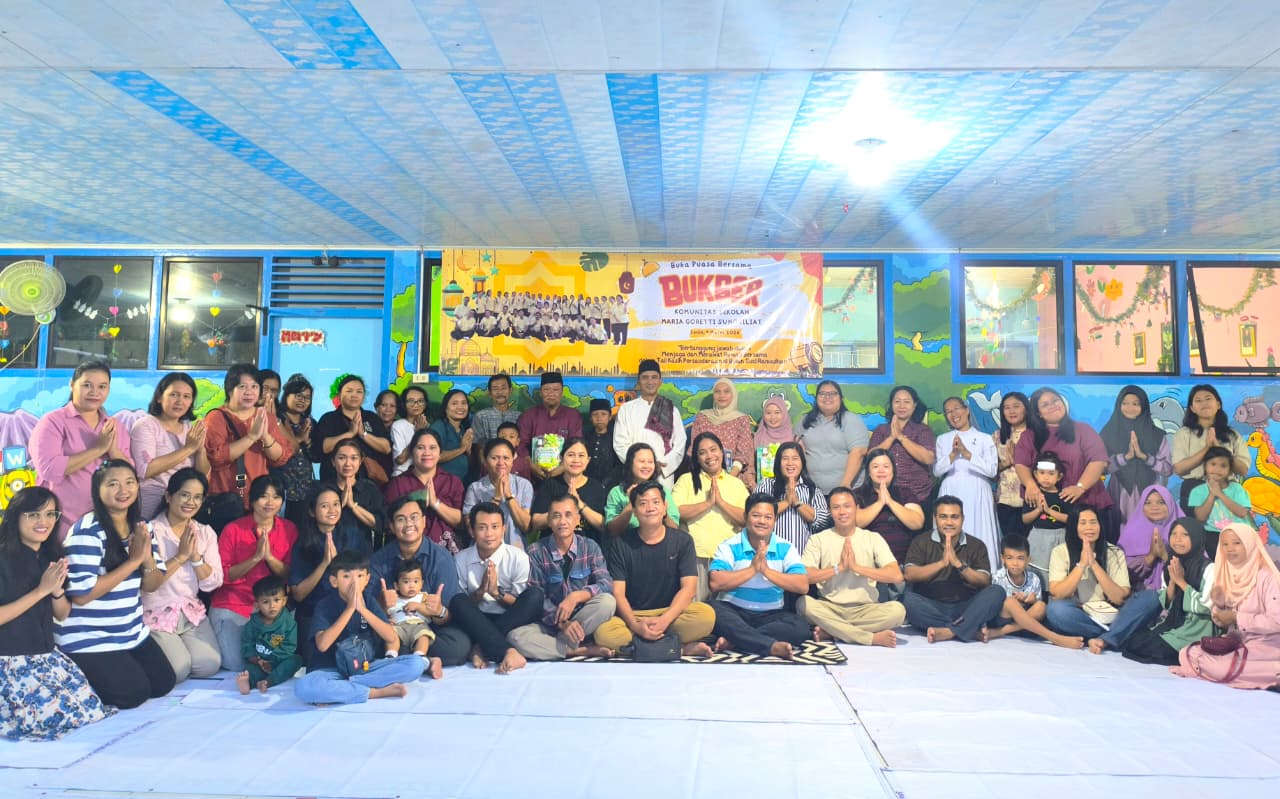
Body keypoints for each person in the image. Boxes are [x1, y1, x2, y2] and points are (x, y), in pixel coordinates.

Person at [57, 460, 178, 708]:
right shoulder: (87, 531)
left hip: (130, 631)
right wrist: (133, 561)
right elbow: (81, 595)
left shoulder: (142, 527)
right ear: (97, 491)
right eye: (113, 484)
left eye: (129, 482)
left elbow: (152, 584)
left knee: (163, 683)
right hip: (88, 635)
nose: (123, 490)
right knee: (133, 695)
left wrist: (146, 559)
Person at [0, 487, 113, 741]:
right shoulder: (3, 558)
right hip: (8, 660)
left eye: (50, 514)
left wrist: (56, 590)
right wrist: (41, 590)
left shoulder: (49, 556)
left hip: (46, 655)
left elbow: (62, 614)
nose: (43, 521)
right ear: (16, 516)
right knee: (51, 721)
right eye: (33, 514)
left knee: (88, 712)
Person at [596, 481, 716, 656]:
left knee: (706, 616)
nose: (650, 508)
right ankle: (678, 649)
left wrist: (664, 620)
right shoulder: (620, 544)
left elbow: (689, 589)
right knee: (604, 633)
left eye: (656, 502)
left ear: (665, 507)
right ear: (634, 511)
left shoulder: (683, 541)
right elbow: (618, 593)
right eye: (643, 503)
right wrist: (635, 625)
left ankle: (641, 648)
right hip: (634, 615)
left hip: (670, 613)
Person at [293, 550, 425, 705]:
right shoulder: (324, 605)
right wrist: (350, 609)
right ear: (334, 581)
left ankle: (343, 689)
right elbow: (322, 645)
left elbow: (391, 637)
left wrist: (362, 609)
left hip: (365, 667)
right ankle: (374, 692)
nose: (354, 583)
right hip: (331, 670)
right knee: (304, 687)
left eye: (360, 576)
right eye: (347, 576)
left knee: (416, 664)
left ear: (367, 579)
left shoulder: (369, 601)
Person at [30, 359, 132, 538]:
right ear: (72, 384)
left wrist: (114, 452)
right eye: (87, 385)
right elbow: (50, 470)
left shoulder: (114, 426)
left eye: (102, 387)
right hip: (63, 524)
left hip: (106, 524)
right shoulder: (53, 421)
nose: (94, 392)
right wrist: (98, 449)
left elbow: (131, 474)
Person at [509, 494, 617, 660]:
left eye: (568, 515)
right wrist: (562, 623)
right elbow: (536, 596)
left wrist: (576, 596)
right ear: (549, 521)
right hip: (548, 622)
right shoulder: (536, 551)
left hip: (582, 620)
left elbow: (606, 584)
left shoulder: (590, 546)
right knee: (515, 637)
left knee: (607, 602)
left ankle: (554, 646)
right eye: (556, 516)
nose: (562, 521)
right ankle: (577, 650)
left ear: (577, 520)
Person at [1172, 523, 1279, 689]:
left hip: (1267, 646)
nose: (1230, 549)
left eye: (1237, 543)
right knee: (1189, 652)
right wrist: (1219, 606)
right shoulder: (1227, 573)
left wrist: (1237, 618)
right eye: (1225, 544)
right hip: (1236, 642)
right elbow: (1222, 621)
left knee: (1222, 667)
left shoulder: (1267, 577)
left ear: (1250, 544)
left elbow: (1276, 621)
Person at [141, 469, 223, 683]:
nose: (191, 502)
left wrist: (195, 558)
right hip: (157, 611)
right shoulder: (150, 531)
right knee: (178, 670)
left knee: (209, 665)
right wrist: (180, 557)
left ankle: (176, 649)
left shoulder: (204, 532)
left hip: (189, 611)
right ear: (169, 497)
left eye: (197, 497)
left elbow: (212, 583)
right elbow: (148, 583)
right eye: (184, 495)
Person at [210, 474, 297, 672]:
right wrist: (255, 558)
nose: (270, 502)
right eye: (264, 496)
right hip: (235, 604)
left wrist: (270, 558)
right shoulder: (233, 529)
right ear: (252, 500)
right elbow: (223, 575)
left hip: (271, 606)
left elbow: (290, 574)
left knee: (276, 660)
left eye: (276, 497)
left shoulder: (289, 529)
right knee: (237, 664)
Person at [371, 496, 471, 667]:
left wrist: (438, 611)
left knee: (459, 646)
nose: (409, 524)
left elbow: (447, 616)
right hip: (393, 629)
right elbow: (368, 612)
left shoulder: (441, 557)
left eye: (414, 517)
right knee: (368, 641)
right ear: (392, 527)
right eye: (401, 519)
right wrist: (381, 605)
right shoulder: (378, 560)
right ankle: (423, 661)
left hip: (429, 629)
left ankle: (405, 659)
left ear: (424, 522)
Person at [797, 487, 904, 647]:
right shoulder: (818, 539)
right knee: (803, 604)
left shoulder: (872, 538)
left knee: (898, 611)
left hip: (865, 610)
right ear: (829, 511)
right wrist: (838, 568)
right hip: (829, 608)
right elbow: (805, 576)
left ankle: (833, 631)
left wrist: (856, 568)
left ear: (856, 508)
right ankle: (869, 638)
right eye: (836, 507)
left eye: (847, 506)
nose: (842, 512)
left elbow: (896, 575)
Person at [1095, 519, 1215, 660]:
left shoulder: (1208, 569)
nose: (1178, 539)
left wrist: (1181, 582)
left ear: (1196, 537)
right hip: (1174, 623)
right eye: (1174, 534)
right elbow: (1168, 604)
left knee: (1146, 649)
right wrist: (1172, 582)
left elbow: (1206, 607)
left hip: (1197, 628)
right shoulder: (1171, 563)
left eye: (1185, 535)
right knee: (1132, 642)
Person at [707, 494, 810, 658]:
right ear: (745, 517)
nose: (762, 521)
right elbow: (715, 582)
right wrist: (752, 569)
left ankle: (737, 639)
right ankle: (770, 646)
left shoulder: (786, 547)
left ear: (775, 520)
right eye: (756, 515)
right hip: (733, 611)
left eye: (768, 517)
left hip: (771, 614)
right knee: (711, 610)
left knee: (801, 627)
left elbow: (802, 585)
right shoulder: (729, 545)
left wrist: (767, 571)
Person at [449, 502, 544, 674]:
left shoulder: (518, 557)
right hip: (477, 618)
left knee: (535, 596)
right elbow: (464, 606)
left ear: (503, 529)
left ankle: (481, 646)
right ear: (472, 531)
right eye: (482, 528)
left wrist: (496, 593)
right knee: (457, 601)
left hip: (509, 617)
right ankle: (507, 651)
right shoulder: (461, 559)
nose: (489, 534)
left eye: (495, 527)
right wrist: (480, 592)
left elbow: (520, 603)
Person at [1015, 387, 1115, 540]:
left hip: (1086, 506)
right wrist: (1030, 484)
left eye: (1055, 400)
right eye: (1045, 404)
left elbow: (1098, 460)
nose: (1053, 406)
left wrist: (1080, 487)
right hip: (1046, 513)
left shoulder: (1083, 430)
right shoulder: (1029, 436)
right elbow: (1021, 464)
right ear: (1038, 413)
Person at [902, 496, 1005, 644]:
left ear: (963, 519)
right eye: (943, 517)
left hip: (966, 607)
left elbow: (984, 581)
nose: (949, 522)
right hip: (932, 606)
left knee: (997, 592)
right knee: (907, 600)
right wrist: (941, 564)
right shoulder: (921, 541)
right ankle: (967, 627)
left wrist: (959, 565)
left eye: (954, 517)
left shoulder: (976, 545)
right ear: (935, 518)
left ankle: (949, 631)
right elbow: (909, 574)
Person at [287, 482, 371, 663]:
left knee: (355, 661)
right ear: (312, 511)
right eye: (324, 506)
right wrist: (325, 563)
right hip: (314, 614)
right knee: (316, 664)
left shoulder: (353, 535)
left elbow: (367, 576)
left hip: (349, 610)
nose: (332, 510)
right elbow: (299, 594)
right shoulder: (303, 543)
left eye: (336, 504)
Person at [204, 364, 292, 521]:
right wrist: (251, 437)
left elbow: (280, 458)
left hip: (258, 499)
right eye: (242, 386)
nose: (249, 392)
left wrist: (265, 436)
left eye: (254, 386)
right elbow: (216, 458)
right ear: (230, 390)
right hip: (226, 500)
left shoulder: (265, 416)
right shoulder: (216, 417)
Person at [673, 432, 748, 600]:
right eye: (702, 452)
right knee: (697, 608)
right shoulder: (686, 480)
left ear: (722, 452)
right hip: (695, 557)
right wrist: (707, 504)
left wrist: (721, 503)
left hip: (728, 558)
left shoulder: (736, 484)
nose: (709, 456)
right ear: (697, 458)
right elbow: (675, 512)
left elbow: (746, 519)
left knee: (726, 610)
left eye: (713, 449)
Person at [130, 372, 210, 519]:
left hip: (186, 503)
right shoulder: (146, 425)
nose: (180, 401)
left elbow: (202, 474)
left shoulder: (188, 427)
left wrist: (200, 450)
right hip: (154, 503)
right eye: (174, 395)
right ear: (159, 397)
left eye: (186, 396)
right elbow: (145, 470)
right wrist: (188, 449)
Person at [981, 535, 1084, 649]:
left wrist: (1031, 601)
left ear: (1028, 559)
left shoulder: (1033, 578)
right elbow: (993, 605)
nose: (1015, 563)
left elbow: (1038, 610)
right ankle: (1055, 638)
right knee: (1010, 602)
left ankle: (1000, 632)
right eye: (1009, 558)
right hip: (1003, 619)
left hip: (1025, 625)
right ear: (1002, 558)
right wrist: (1015, 602)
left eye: (1020, 558)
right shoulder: (997, 577)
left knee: (1041, 606)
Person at [1046, 509, 1132, 639]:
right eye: (1083, 523)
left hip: (1108, 613)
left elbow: (1119, 598)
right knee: (1056, 610)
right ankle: (1110, 635)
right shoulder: (1060, 551)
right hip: (1077, 612)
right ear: (1074, 526)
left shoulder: (1115, 552)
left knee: (1143, 603)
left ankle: (1104, 635)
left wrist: (1094, 564)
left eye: (1093, 522)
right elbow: (1058, 594)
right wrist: (1082, 564)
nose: (1089, 527)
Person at [934, 397, 1000, 566]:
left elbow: (992, 470)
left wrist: (967, 453)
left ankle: (984, 572)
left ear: (967, 410)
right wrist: (953, 455)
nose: (953, 414)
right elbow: (937, 471)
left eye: (956, 409)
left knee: (980, 532)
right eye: (948, 412)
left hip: (978, 491)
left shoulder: (985, 438)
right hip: (951, 490)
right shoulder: (942, 439)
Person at [382, 428, 465, 553]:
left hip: (448, 552)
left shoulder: (452, 482)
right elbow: (389, 523)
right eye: (420, 448)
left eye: (432, 448)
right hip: (409, 553)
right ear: (411, 452)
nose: (427, 453)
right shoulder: (398, 484)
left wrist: (435, 503)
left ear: (440, 453)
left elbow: (462, 522)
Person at [1100, 385, 1174, 524]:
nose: (1130, 408)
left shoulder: (1156, 434)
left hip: (1150, 493)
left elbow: (1168, 469)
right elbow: (1101, 467)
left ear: (1144, 406)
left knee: (1148, 530)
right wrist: (1125, 457)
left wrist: (1145, 457)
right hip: (1119, 493)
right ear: (1118, 405)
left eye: (1135, 404)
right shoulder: (1108, 432)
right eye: (1125, 403)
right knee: (1120, 530)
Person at [1173, 384, 1250, 515]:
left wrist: (1219, 449)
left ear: (1218, 404)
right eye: (1198, 400)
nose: (1204, 403)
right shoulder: (1184, 434)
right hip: (1194, 488)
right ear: (1192, 408)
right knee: (1195, 528)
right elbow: (1179, 469)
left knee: (1226, 528)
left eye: (1208, 398)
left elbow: (1243, 470)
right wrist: (1207, 449)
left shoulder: (1233, 435)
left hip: (1227, 489)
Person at [612, 360, 686, 489]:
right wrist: (639, 465)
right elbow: (620, 443)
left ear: (660, 381)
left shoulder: (671, 409)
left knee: (662, 501)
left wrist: (662, 465)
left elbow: (680, 443)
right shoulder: (627, 409)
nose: (650, 382)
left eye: (654, 377)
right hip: (635, 474)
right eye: (645, 377)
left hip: (663, 474)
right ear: (639, 381)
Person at [310, 374, 393, 485]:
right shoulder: (329, 418)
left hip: (367, 484)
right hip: (334, 482)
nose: (354, 395)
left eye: (359, 392)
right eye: (349, 391)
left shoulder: (371, 417)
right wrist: (350, 434)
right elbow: (323, 447)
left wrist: (363, 434)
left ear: (364, 396)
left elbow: (386, 448)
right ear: (339, 395)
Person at [852, 449, 926, 565]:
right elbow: (856, 522)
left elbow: (917, 523)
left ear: (893, 471)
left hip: (902, 560)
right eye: (875, 467)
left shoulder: (905, 492)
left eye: (886, 466)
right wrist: (879, 503)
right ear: (869, 472)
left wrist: (890, 502)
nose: (881, 470)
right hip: (869, 562)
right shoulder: (857, 494)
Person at [868, 386, 937, 509]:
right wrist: (891, 438)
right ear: (891, 404)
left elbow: (928, 458)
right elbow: (870, 457)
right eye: (897, 401)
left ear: (914, 405)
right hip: (884, 494)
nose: (901, 406)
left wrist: (901, 438)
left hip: (918, 495)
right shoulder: (881, 430)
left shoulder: (923, 430)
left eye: (906, 402)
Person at [755, 442, 831, 552]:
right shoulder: (766, 485)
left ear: (802, 463)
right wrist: (786, 502)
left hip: (803, 557)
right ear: (778, 463)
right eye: (785, 459)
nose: (790, 463)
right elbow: (756, 514)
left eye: (795, 458)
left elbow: (824, 521)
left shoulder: (812, 490)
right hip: (771, 557)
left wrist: (797, 503)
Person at [530, 437, 608, 543]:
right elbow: (536, 523)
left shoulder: (597, 488)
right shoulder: (550, 484)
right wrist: (561, 511)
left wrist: (580, 504)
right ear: (561, 458)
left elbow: (604, 526)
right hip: (553, 546)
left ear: (588, 460)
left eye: (581, 455)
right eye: (571, 455)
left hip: (587, 548)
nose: (576, 460)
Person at [796, 380, 869, 495]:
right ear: (816, 398)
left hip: (847, 491)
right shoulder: (805, 420)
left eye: (833, 393)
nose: (827, 397)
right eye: (822, 393)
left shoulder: (851, 420)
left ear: (841, 398)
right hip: (812, 492)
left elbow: (859, 452)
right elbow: (795, 449)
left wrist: (845, 486)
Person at [236, 575, 300, 694]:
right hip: (259, 662)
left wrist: (272, 662)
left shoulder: (288, 623)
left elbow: (289, 647)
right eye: (266, 602)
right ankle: (248, 683)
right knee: (251, 670)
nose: (272, 606)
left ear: (284, 601)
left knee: (295, 660)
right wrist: (256, 660)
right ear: (257, 604)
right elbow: (247, 644)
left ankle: (268, 682)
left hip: (279, 661)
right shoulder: (252, 624)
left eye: (277, 600)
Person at [463, 438, 533, 547]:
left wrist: (509, 496)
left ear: (513, 460)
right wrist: (496, 498)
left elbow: (526, 526)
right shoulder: (475, 488)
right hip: (484, 551)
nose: (501, 463)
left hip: (515, 550)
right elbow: (471, 530)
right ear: (485, 460)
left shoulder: (523, 485)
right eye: (494, 458)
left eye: (506, 458)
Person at [690, 378, 757, 490]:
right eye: (718, 391)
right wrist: (708, 478)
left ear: (733, 394)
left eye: (726, 391)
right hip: (704, 477)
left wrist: (727, 480)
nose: (722, 395)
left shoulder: (742, 419)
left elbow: (743, 454)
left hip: (733, 478)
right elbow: (694, 450)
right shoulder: (702, 417)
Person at [518, 371, 584, 485]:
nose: (551, 394)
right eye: (546, 390)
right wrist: (531, 465)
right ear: (540, 392)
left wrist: (563, 467)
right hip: (534, 475)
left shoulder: (573, 416)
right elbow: (520, 444)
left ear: (562, 392)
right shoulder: (528, 416)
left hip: (565, 476)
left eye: (555, 390)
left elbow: (577, 445)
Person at [1021, 452, 1074, 590]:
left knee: (1057, 571)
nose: (1046, 477)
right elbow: (1025, 519)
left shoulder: (1064, 495)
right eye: (1042, 473)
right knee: (1035, 571)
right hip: (1038, 537)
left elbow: (1070, 519)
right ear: (1035, 474)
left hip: (1059, 537)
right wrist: (1039, 510)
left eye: (1051, 474)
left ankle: (1054, 595)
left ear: (1059, 476)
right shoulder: (1033, 494)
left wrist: (1049, 511)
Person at [1117, 485, 1185, 591]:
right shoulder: (1131, 532)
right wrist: (1150, 556)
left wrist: (1165, 556)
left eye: (1161, 502)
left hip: (1179, 591)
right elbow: (1119, 572)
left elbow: (1196, 568)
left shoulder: (1186, 530)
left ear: (1170, 504)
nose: (1154, 507)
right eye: (1148, 503)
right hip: (1139, 592)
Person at [1188, 446, 1255, 553]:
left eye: (1223, 465)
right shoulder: (1197, 491)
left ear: (1230, 470)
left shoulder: (1237, 489)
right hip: (1213, 535)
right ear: (1205, 466)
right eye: (1213, 464)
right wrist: (1212, 494)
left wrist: (1220, 494)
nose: (1217, 469)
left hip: (1239, 533)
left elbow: (1242, 512)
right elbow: (1200, 517)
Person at [605, 443, 681, 535]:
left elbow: (674, 528)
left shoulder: (662, 491)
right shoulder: (617, 492)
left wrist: (663, 513)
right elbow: (612, 530)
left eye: (650, 462)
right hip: (627, 543)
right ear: (630, 463)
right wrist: (631, 504)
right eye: (642, 461)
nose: (646, 466)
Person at [273, 374, 317, 531]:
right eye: (298, 395)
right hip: (281, 486)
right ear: (287, 395)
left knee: (300, 532)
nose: (302, 400)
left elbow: (316, 456)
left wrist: (308, 442)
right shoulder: (277, 419)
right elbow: (278, 452)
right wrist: (298, 439)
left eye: (307, 398)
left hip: (304, 488)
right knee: (280, 531)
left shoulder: (310, 423)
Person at [329, 437, 389, 551]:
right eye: (342, 458)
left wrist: (353, 506)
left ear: (360, 461)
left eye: (353, 458)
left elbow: (381, 524)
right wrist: (341, 505)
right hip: (332, 552)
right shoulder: (325, 490)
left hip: (364, 555)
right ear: (333, 461)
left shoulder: (370, 489)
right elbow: (316, 523)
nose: (348, 463)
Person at [386, 559, 443, 678]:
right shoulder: (393, 599)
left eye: (416, 581)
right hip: (399, 626)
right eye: (406, 582)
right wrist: (387, 621)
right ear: (397, 585)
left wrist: (418, 606)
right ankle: (390, 656)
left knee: (424, 636)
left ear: (422, 583)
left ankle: (420, 656)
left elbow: (430, 612)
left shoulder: (423, 597)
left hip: (418, 625)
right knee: (390, 635)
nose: (411, 585)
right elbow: (386, 614)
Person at [993, 392, 1031, 540]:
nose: (1011, 411)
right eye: (1007, 407)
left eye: (1016, 406)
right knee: (1011, 545)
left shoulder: (1036, 434)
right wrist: (1006, 463)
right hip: (1005, 500)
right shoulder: (997, 436)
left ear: (1026, 408)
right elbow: (990, 471)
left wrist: (1020, 460)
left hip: (1030, 500)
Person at [470, 373, 522, 458]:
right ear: (490, 393)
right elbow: (476, 444)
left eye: (503, 388)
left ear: (510, 390)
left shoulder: (519, 416)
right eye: (495, 389)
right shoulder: (481, 416)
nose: (500, 392)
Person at [430, 388, 475, 483]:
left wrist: (468, 451)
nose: (460, 407)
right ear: (445, 408)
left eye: (463, 403)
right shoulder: (439, 427)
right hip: (442, 484)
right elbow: (433, 456)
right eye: (454, 403)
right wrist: (461, 449)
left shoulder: (464, 429)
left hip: (462, 483)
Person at [389, 386, 431, 478]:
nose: (416, 404)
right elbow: (400, 460)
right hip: (402, 476)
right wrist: (418, 433)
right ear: (404, 404)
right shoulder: (398, 425)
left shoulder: (429, 427)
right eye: (411, 401)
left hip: (423, 477)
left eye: (420, 401)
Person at [754, 396, 796, 483]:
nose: (773, 417)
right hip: (761, 489)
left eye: (777, 412)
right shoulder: (757, 438)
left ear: (784, 414)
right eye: (768, 413)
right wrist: (753, 484)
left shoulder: (795, 440)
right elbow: (750, 467)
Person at [583, 398, 623, 488]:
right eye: (595, 414)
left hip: (610, 485)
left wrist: (605, 483)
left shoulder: (616, 438)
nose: (599, 418)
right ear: (590, 418)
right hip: (586, 483)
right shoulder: (584, 437)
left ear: (610, 417)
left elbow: (618, 466)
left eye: (603, 414)